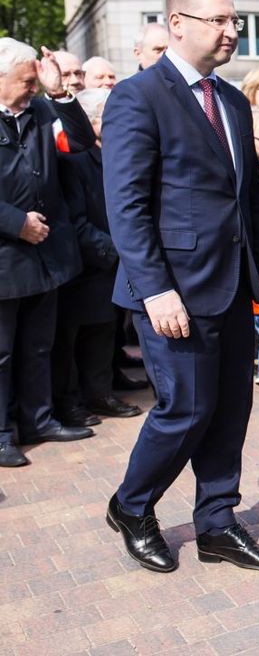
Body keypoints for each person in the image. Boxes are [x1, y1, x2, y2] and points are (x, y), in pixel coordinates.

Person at [102, 0, 259, 573]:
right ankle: (132, 506)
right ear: (177, 22)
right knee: (185, 408)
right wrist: (156, 288)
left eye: (235, 21)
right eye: (220, 21)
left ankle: (217, 523)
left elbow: (249, 197)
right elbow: (126, 204)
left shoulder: (231, 100)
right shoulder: (138, 96)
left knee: (231, 406)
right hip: (172, 290)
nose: (233, 31)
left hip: (233, 282)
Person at [0, 39, 94, 468]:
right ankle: (2, 434)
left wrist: (59, 94)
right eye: (25, 81)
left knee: (40, 344)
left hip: (47, 254)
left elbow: (78, 143)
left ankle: (39, 420)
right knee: (1, 353)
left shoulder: (41, 109)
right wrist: (15, 222)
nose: (31, 87)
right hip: (7, 256)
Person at [52, 86, 142, 429]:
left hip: (115, 265)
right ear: (91, 122)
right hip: (87, 265)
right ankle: (69, 402)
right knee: (73, 340)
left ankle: (100, 392)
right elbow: (74, 220)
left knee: (105, 333)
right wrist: (116, 251)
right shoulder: (75, 163)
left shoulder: (126, 155)